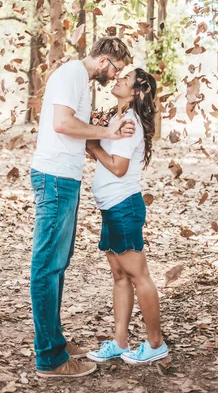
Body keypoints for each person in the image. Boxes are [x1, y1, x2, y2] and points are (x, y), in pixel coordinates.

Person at [29, 37, 135, 379]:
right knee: (47, 266)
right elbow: (63, 124)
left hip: (65, 178)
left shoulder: (79, 79)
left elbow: (78, 128)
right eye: (117, 69)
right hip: (55, 177)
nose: (115, 76)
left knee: (58, 265)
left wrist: (108, 125)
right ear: (105, 61)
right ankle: (49, 358)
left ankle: (55, 342)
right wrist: (108, 131)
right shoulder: (74, 72)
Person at [85, 68, 168, 365]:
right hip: (111, 207)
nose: (118, 79)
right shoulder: (115, 118)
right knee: (120, 276)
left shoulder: (129, 122)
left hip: (123, 207)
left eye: (126, 79)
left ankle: (156, 343)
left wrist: (93, 145)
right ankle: (120, 342)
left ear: (136, 91)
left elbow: (119, 167)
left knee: (138, 275)